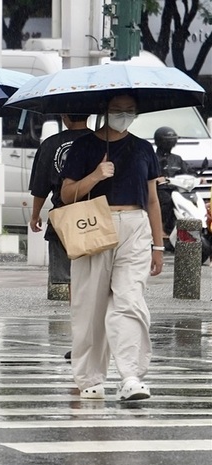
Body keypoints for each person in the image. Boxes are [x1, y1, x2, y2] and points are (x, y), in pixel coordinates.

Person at [60, 92, 163, 401]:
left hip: (135, 225)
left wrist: (158, 246)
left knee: (130, 301)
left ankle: (131, 375)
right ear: (105, 110)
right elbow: (67, 195)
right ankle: (89, 377)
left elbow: (153, 199)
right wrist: (95, 176)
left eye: (130, 110)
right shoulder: (84, 147)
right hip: (94, 224)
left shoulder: (144, 149)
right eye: (118, 110)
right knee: (90, 306)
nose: (124, 115)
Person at [29, 114, 92, 296]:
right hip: (96, 214)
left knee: (71, 277)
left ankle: (77, 315)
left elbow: (40, 187)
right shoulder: (99, 140)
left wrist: (35, 216)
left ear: (64, 116)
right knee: (95, 273)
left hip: (64, 216)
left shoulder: (50, 144)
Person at [153, 126, 189, 236]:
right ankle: (162, 230)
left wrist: (198, 178)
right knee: (166, 200)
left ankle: (189, 232)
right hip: (159, 191)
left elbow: (187, 172)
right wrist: (157, 179)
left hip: (177, 190)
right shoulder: (153, 158)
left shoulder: (177, 159)